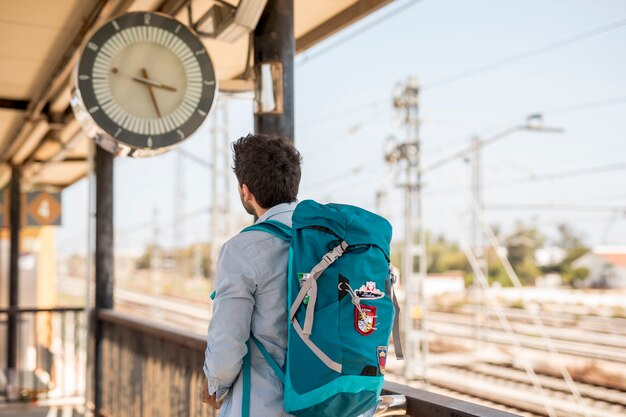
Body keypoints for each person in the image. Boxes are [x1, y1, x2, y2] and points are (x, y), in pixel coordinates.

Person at [202, 133, 302, 417]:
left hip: (265, 407)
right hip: (328, 404)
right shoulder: (327, 243)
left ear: (246, 191)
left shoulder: (243, 249)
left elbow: (227, 343)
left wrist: (214, 384)